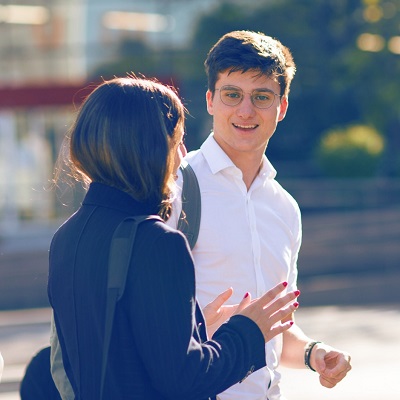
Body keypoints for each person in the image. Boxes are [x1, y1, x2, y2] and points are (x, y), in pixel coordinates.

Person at [47, 75, 300, 399]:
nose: (182, 154)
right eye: (176, 140)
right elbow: (187, 379)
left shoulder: (66, 237)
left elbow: (99, 357)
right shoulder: (159, 243)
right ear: (149, 149)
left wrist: (195, 326)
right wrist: (248, 332)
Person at [167, 30, 352, 399]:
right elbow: (150, 325)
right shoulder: (175, 188)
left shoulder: (284, 207)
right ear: (210, 101)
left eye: (262, 97)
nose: (246, 110)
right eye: (232, 94)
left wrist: (316, 353)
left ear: (281, 107)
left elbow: (278, 335)